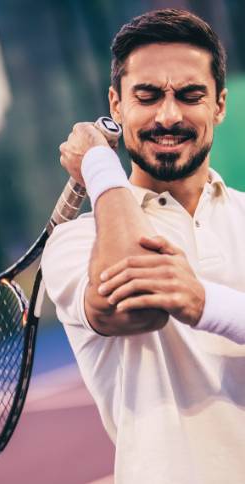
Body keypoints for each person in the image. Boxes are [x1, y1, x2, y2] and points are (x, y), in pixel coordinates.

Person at [42, 8, 245, 484]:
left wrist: (204, 302)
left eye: (191, 95)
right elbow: (136, 307)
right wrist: (99, 166)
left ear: (219, 105)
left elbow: (189, 301)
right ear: (116, 105)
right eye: (147, 96)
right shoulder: (76, 242)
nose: (169, 115)